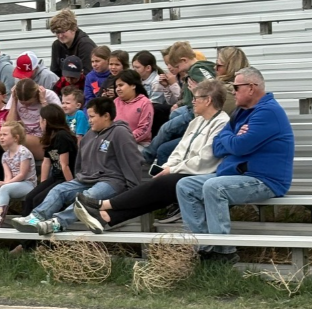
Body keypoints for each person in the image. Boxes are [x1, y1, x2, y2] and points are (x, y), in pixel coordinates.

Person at [74, 79, 229, 232]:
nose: (192, 102)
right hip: (183, 170)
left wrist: (172, 170)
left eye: (195, 98)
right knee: (157, 193)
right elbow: (180, 149)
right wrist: (168, 166)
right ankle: (106, 217)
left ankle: (103, 205)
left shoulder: (222, 123)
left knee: (160, 186)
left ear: (208, 100)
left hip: (202, 173)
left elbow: (206, 158)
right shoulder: (197, 121)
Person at [176, 68, 295, 264]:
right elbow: (217, 145)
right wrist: (234, 135)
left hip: (265, 180)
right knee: (185, 186)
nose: (232, 91)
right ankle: (204, 248)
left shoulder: (268, 112)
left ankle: (224, 253)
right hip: (236, 174)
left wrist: (232, 138)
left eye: (236, 87)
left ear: (251, 88)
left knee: (214, 187)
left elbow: (239, 147)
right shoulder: (241, 112)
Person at [12, 97, 142, 235]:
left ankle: (58, 223)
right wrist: (79, 177)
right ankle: (35, 218)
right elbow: (80, 163)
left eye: (92, 116)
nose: (89, 120)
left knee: (88, 197)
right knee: (59, 190)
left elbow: (133, 159)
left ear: (106, 116)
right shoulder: (89, 136)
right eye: (88, 117)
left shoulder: (120, 132)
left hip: (112, 181)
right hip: (86, 179)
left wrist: (132, 188)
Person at [142, 41, 216, 165]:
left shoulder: (197, 70)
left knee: (166, 128)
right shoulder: (202, 67)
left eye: (176, 65)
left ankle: (146, 156)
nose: (174, 69)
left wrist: (197, 91)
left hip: (195, 110)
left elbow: (211, 86)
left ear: (184, 60)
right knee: (174, 114)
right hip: (188, 107)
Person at [6, 77, 61, 161]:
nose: (26, 106)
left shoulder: (49, 95)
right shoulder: (15, 97)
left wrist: (43, 101)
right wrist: (14, 101)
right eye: (22, 103)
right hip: (23, 137)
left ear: (36, 96)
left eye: (29, 103)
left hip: (45, 139)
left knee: (22, 138)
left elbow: (55, 124)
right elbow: (9, 125)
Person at [48, 9, 96, 78]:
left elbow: (89, 74)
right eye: (57, 32)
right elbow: (55, 73)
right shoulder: (56, 45)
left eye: (63, 31)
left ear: (73, 29)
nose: (60, 36)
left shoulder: (86, 45)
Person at [113, 70, 154, 147]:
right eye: (116, 86)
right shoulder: (115, 102)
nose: (118, 89)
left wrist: (124, 140)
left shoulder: (145, 103)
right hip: (115, 141)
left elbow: (144, 129)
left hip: (138, 143)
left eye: (121, 85)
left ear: (133, 85)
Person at [215, 46, 250, 114]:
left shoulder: (226, 92)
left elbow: (208, 118)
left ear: (230, 67)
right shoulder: (248, 86)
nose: (215, 68)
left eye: (218, 65)